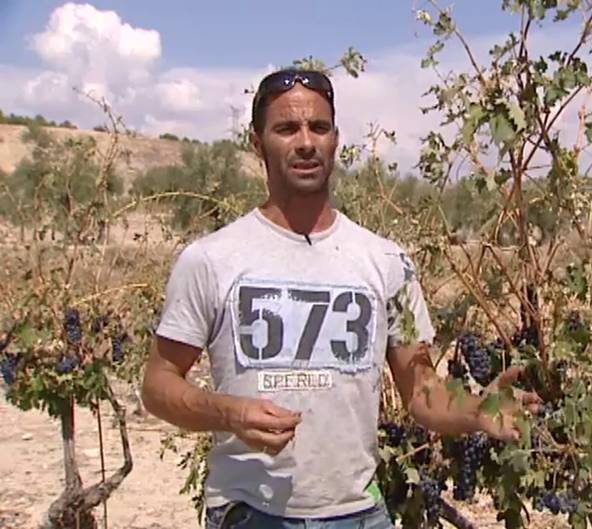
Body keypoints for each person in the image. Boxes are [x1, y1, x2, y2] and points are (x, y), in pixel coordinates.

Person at [140, 68, 540, 529]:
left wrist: (478, 411)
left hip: (360, 514)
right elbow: (159, 385)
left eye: (319, 127)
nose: (306, 142)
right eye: (287, 129)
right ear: (257, 143)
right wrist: (229, 412)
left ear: (336, 140)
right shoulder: (210, 260)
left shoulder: (387, 261)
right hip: (251, 514)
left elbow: (422, 393)